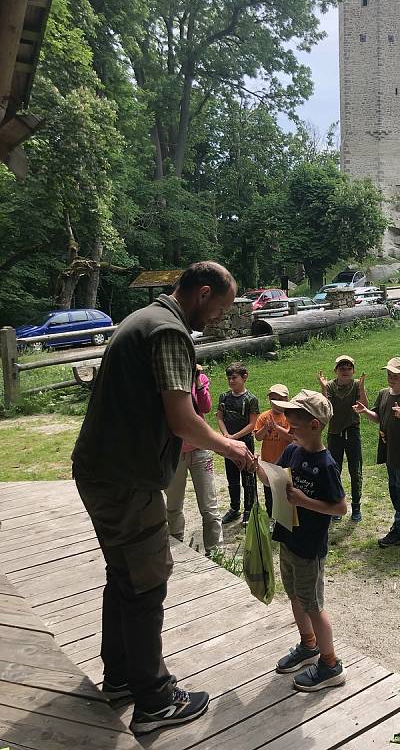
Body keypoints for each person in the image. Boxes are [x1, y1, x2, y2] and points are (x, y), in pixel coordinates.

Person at [71, 261, 255, 736]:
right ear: (203, 292)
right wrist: (231, 445)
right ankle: (153, 697)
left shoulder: (142, 319)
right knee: (149, 579)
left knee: (124, 574)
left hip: (99, 470)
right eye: (222, 306)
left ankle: (119, 679)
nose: (221, 316)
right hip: (125, 479)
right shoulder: (170, 332)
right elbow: (181, 417)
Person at [257, 390, 347, 691]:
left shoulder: (326, 464)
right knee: (295, 595)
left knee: (313, 604)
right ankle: (309, 646)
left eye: (294, 422)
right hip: (288, 537)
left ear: (315, 425)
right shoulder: (293, 452)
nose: (289, 427)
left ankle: (331, 664)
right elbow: (272, 477)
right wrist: (252, 464)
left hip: (310, 547)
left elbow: (339, 507)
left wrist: (305, 501)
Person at [354, 357, 400, 547]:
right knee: (394, 489)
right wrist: (365, 411)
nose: (391, 378)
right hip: (390, 452)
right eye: (389, 375)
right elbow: (378, 417)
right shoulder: (384, 394)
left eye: (395, 375)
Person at [165, 365, 222, 555]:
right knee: (173, 505)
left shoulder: (201, 379)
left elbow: (205, 407)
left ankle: (215, 552)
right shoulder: (169, 383)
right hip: (174, 452)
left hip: (200, 450)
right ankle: (176, 546)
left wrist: (197, 382)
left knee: (209, 506)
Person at [318, 355, 368, 522]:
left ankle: (356, 506)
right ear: (336, 371)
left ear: (353, 371)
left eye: (348, 368)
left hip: (352, 431)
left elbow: (364, 407)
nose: (345, 371)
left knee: (356, 470)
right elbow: (325, 410)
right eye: (341, 368)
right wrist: (324, 389)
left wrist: (361, 388)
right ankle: (337, 505)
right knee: (334, 470)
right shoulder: (330, 386)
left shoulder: (355, 385)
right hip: (334, 434)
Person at [217, 362, 260, 526]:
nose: (231, 381)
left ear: (244, 377)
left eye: (234, 378)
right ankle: (234, 508)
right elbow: (219, 417)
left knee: (248, 476)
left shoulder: (251, 399)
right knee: (231, 477)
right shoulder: (224, 397)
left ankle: (249, 509)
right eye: (229, 378)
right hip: (229, 443)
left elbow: (252, 424)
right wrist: (226, 435)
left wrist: (235, 436)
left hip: (245, 442)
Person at [254, 384, 293, 517]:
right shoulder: (264, 416)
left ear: (286, 399)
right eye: (272, 399)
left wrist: (276, 427)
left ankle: (285, 518)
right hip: (268, 462)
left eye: (278, 398)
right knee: (269, 493)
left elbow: (291, 439)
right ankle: (271, 517)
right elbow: (258, 437)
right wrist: (266, 428)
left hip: (285, 464)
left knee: (285, 493)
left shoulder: (290, 417)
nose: (274, 402)